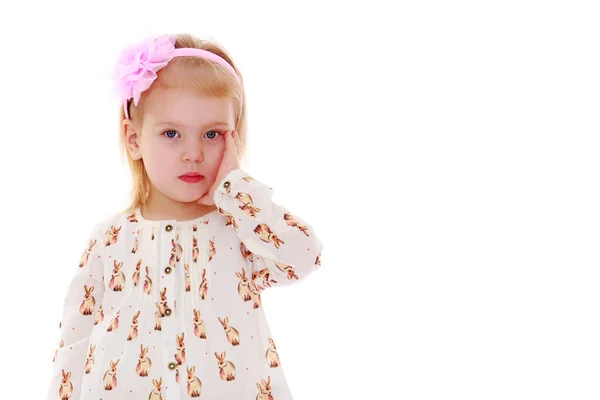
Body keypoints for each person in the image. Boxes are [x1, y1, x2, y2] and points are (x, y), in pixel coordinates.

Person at [46, 32, 323, 400]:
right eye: (172, 133)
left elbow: (304, 256)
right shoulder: (110, 239)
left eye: (211, 134)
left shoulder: (244, 227)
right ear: (134, 139)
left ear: (234, 140)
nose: (193, 152)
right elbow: (74, 343)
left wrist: (237, 190)